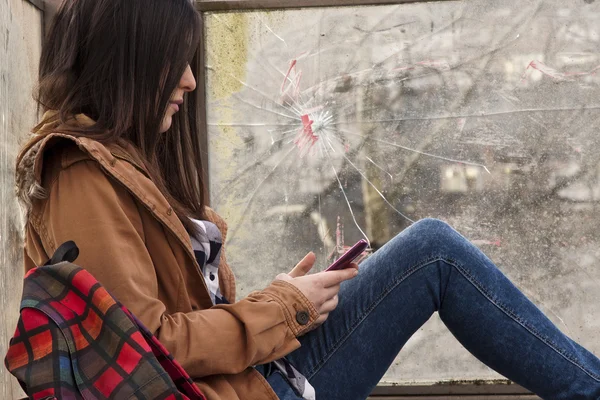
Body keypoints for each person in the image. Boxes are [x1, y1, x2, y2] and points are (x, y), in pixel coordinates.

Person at [14, 0, 600, 399]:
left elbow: (171, 320)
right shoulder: (80, 173)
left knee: (429, 252)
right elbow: (147, 346)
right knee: (432, 254)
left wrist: (285, 298)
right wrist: (279, 307)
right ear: (130, 60)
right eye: (177, 61)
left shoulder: (118, 161)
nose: (190, 81)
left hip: (252, 378)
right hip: (254, 390)